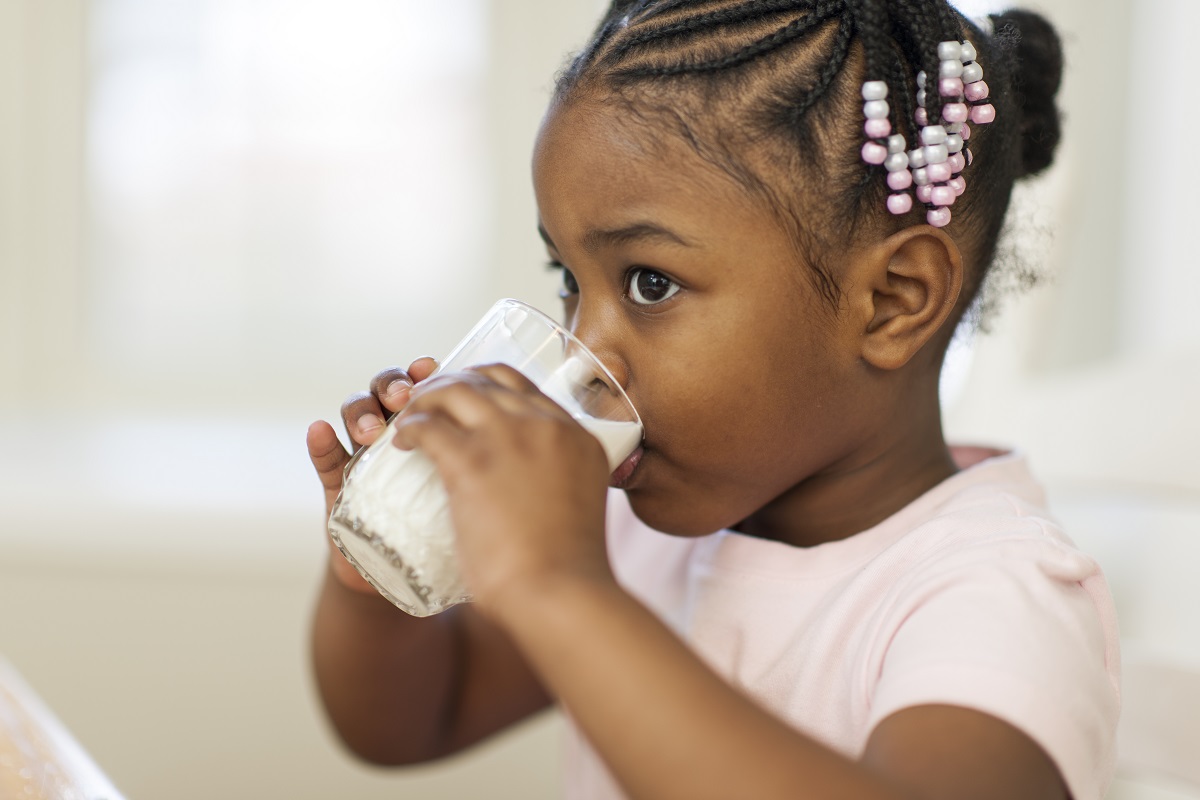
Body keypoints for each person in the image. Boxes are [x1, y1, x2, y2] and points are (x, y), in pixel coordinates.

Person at [305, 2, 1120, 798]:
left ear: (893, 300)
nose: (582, 362)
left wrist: (561, 586)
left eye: (649, 284)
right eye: (567, 280)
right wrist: (374, 580)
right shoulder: (637, 536)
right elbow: (413, 721)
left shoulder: (991, 596)